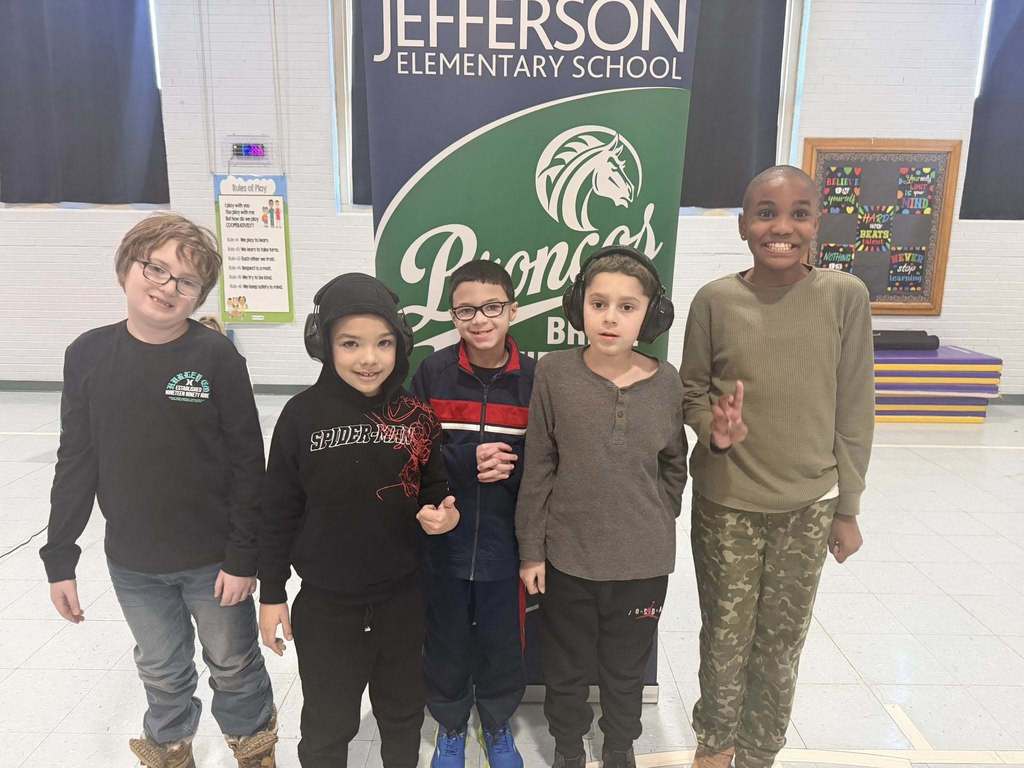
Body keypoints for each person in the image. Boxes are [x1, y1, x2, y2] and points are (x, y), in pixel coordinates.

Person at [40, 213, 277, 768]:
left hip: (214, 559)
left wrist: (244, 557)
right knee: (161, 668)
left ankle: (253, 748)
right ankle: (171, 749)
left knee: (233, 663)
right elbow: (76, 462)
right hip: (135, 563)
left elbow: (249, 464)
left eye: (187, 281)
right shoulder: (88, 354)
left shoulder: (215, 357)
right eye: (156, 268)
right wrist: (60, 557)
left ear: (199, 296)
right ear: (127, 267)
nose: (168, 287)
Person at [679, 165, 874, 768]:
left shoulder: (845, 297)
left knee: (781, 643)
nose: (781, 227)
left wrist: (848, 508)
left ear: (817, 224)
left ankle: (760, 751)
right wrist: (713, 426)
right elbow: (689, 391)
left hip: (808, 508)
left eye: (798, 213)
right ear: (743, 225)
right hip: (726, 505)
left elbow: (855, 407)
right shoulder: (715, 300)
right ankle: (715, 746)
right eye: (765, 213)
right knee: (724, 637)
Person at [258, 273, 460, 768]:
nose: (369, 358)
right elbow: (278, 510)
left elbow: (436, 490)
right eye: (351, 343)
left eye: (383, 343)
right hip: (326, 607)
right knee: (327, 726)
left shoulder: (417, 416)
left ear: (400, 344)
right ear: (323, 343)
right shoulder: (300, 416)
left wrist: (445, 515)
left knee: (403, 716)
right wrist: (272, 592)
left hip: (402, 601)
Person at [515, 246, 688, 768]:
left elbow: (674, 463)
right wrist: (532, 550)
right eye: (598, 303)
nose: (610, 317)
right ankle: (568, 746)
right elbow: (539, 464)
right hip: (568, 557)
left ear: (650, 316)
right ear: (579, 307)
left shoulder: (667, 380)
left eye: (627, 307)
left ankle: (619, 745)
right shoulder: (554, 373)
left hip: (643, 563)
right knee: (565, 666)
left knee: (626, 666)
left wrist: (657, 513)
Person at [410, 260, 535, 768]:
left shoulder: (535, 378)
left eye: (492, 307)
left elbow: (551, 459)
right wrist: (465, 460)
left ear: (513, 310)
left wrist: (514, 463)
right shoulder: (432, 372)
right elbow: (410, 452)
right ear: (453, 315)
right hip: (445, 544)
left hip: (508, 546)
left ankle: (498, 723)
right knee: (446, 640)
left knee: (503, 643)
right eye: (466, 310)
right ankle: (451, 724)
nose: (480, 319)